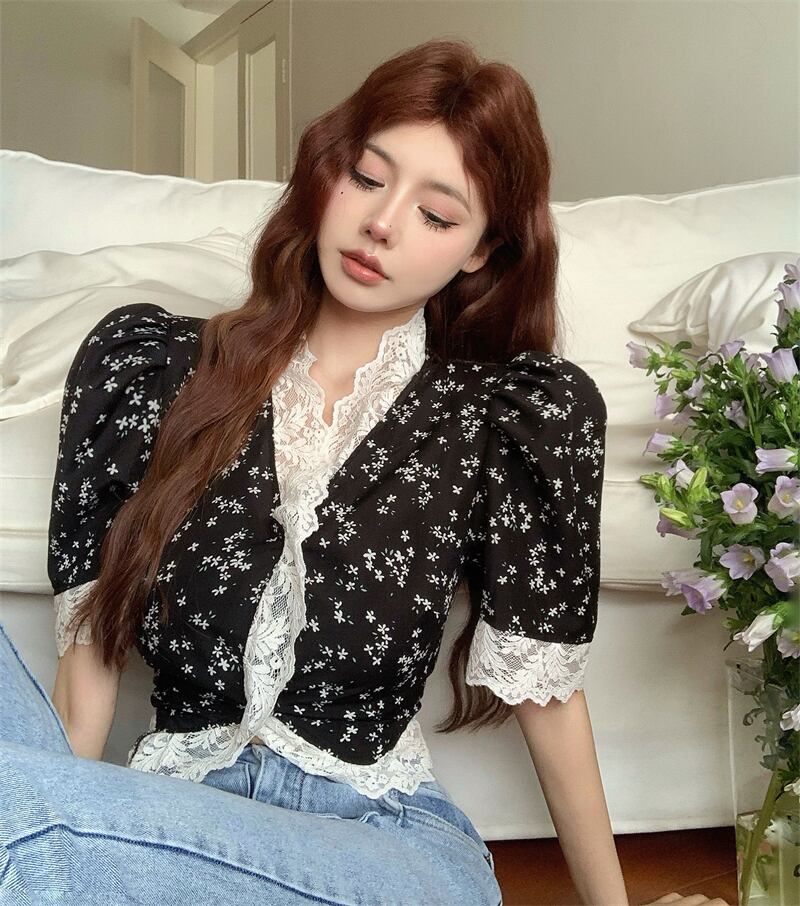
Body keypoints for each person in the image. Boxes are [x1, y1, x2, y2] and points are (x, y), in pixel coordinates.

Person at [0, 37, 730, 906]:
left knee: (27, 812)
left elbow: (548, 699)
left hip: (379, 848)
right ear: (328, 174)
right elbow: (84, 680)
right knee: (30, 806)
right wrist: (71, 839)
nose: (382, 223)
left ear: (480, 252)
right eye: (368, 177)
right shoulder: (156, 370)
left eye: (437, 215)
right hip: (165, 825)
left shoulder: (502, 416)